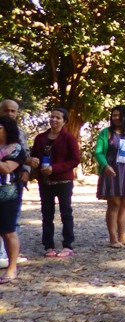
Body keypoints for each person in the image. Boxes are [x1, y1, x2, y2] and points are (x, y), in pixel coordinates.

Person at [27, 107, 80, 257]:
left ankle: (67, 245)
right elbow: (34, 155)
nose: (54, 120)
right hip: (45, 182)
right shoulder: (40, 138)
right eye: (52, 117)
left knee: (66, 212)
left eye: (58, 118)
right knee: (47, 213)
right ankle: (48, 246)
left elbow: (75, 160)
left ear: (64, 121)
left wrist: (54, 168)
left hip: (63, 181)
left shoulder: (69, 138)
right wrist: (34, 163)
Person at [95, 105, 125, 248]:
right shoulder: (106, 133)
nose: (115, 118)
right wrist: (105, 166)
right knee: (114, 204)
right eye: (113, 115)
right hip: (111, 170)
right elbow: (98, 152)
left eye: (118, 115)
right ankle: (113, 238)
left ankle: (123, 236)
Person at [0, 99, 30, 268]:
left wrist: (26, 171)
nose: (10, 114)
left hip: (11, 184)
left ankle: (10, 257)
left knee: (11, 222)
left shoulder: (20, 135)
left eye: (13, 111)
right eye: (6, 110)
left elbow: (25, 155)